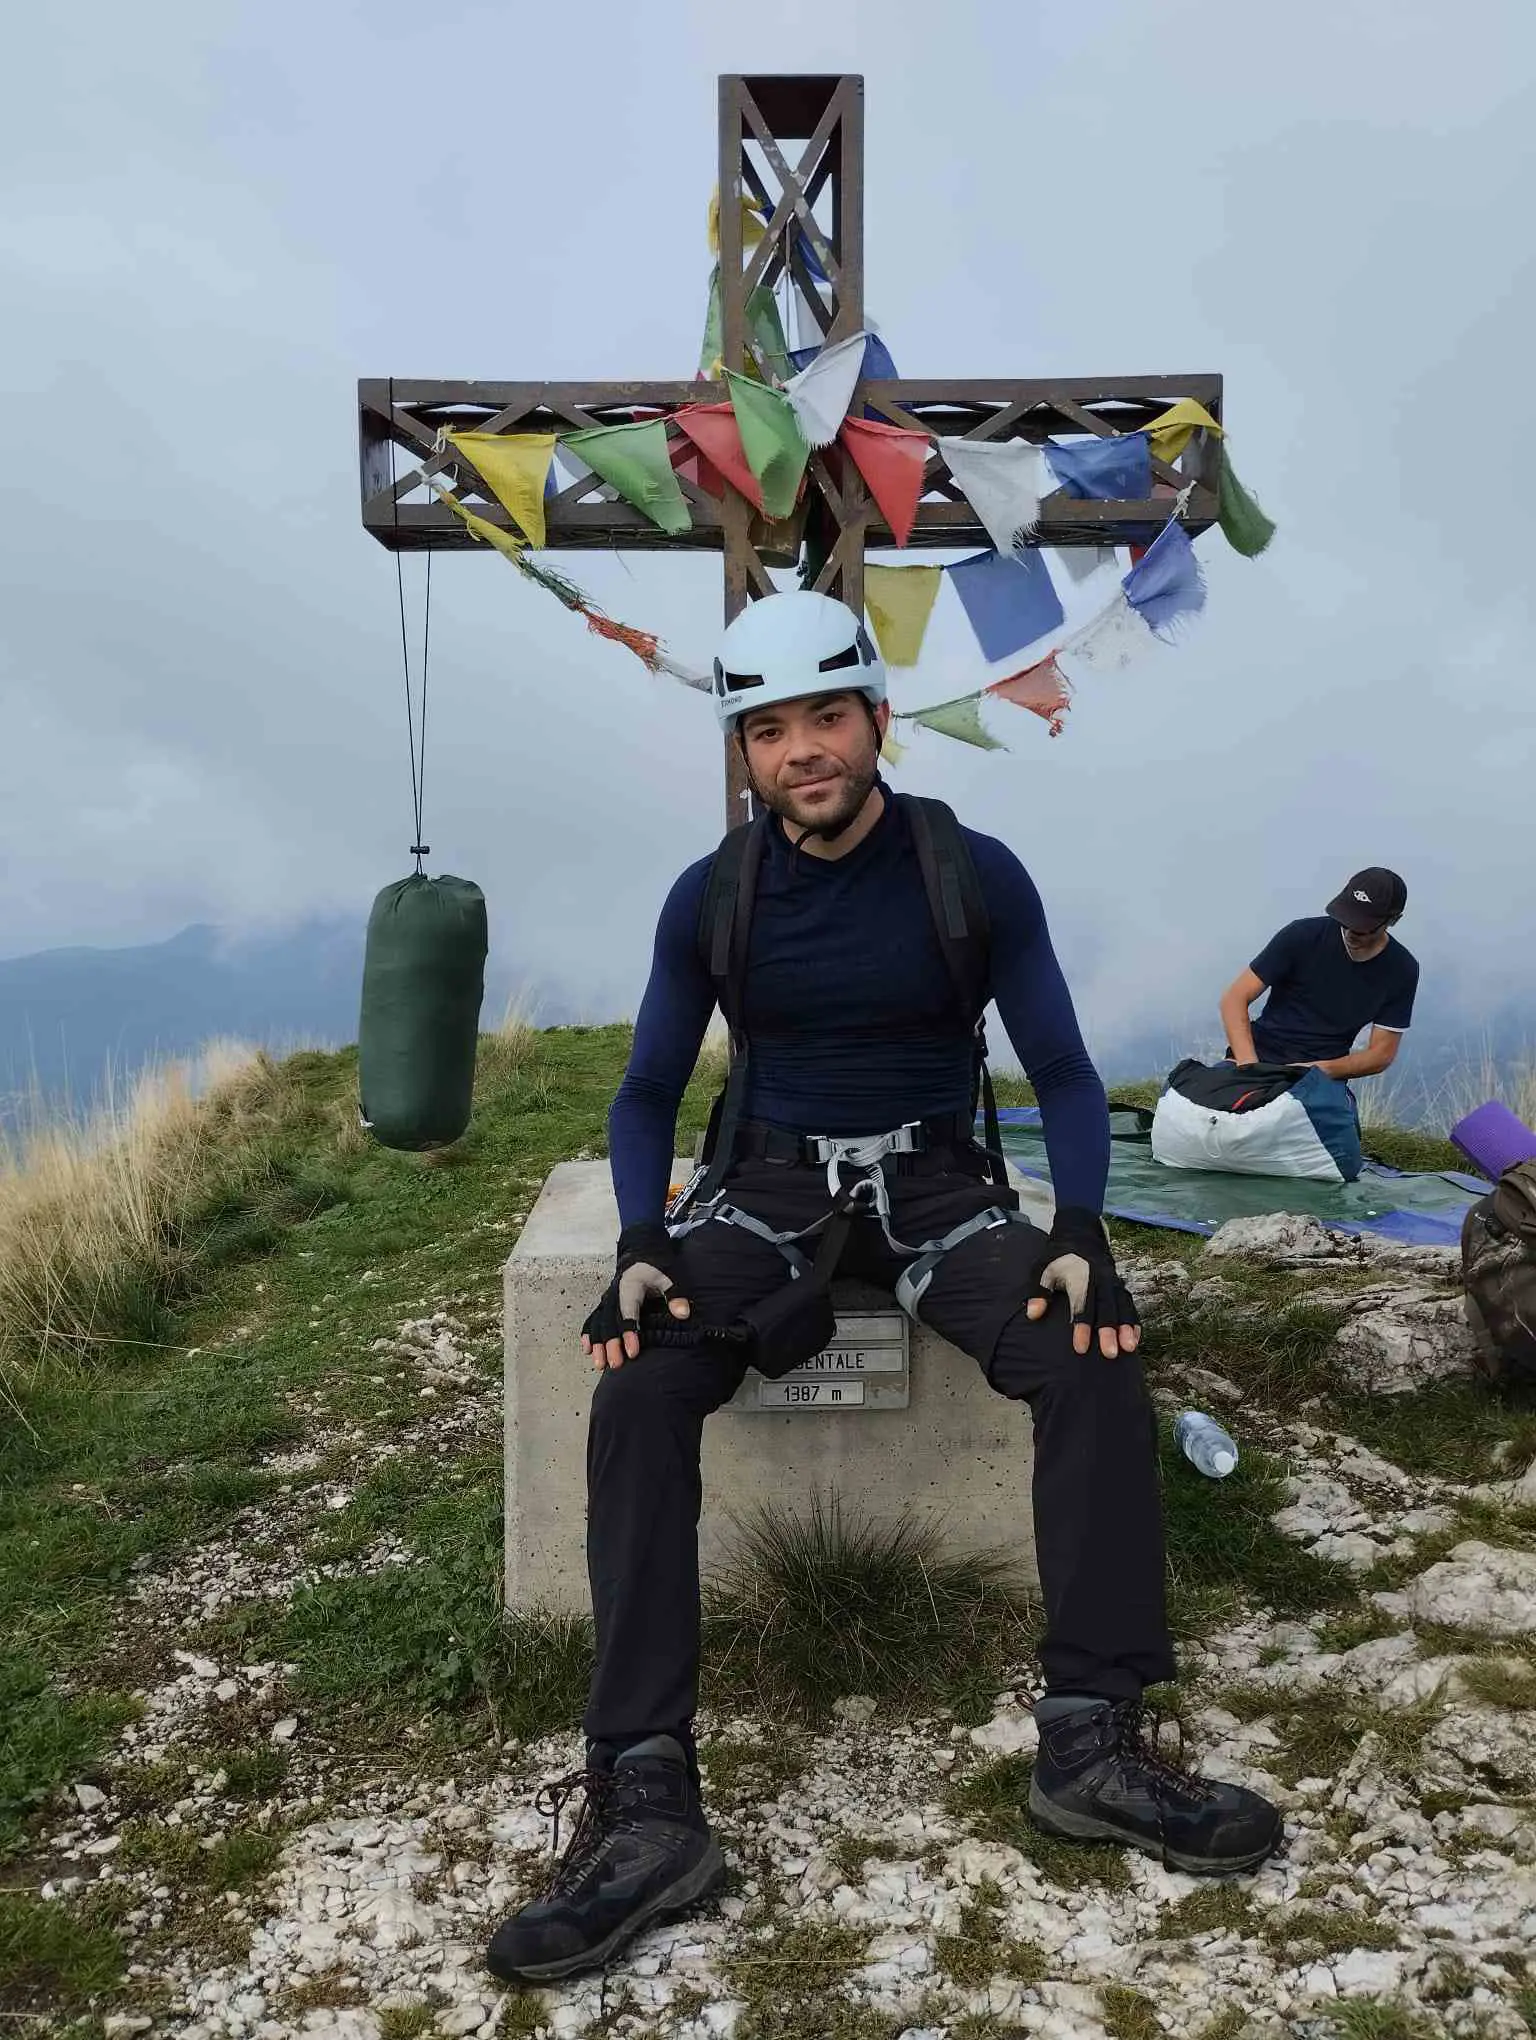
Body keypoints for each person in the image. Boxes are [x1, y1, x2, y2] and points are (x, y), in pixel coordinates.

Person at [486, 592, 1282, 1987]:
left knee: (1089, 1352)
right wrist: (641, 1243)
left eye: (826, 718)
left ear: (876, 720)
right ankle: (647, 1798)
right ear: (745, 750)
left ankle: (1090, 1743)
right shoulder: (715, 894)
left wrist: (1079, 1229)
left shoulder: (971, 874)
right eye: (768, 729)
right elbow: (647, 1088)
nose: (801, 750)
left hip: (937, 1189)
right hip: (768, 1191)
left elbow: (1067, 1071)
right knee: (642, 1382)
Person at [1219, 869, 1419, 1080]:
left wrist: (1314, 1070)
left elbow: (1381, 1055)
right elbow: (1234, 998)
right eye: (1345, 920)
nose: (1350, 932)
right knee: (1200, 1096)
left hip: (1320, 1075)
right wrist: (1250, 1067)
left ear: (1393, 920)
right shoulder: (1302, 935)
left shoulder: (1401, 969)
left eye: (1361, 928)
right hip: (1255, 1056)